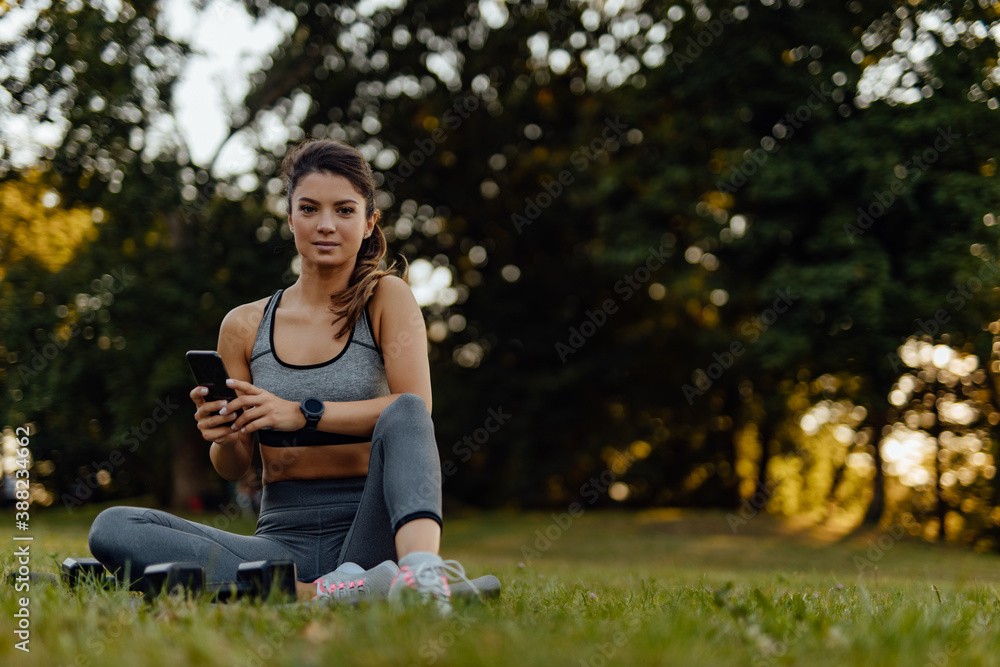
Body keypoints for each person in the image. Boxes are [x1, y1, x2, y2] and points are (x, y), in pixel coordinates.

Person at [88, 138, 475, 614]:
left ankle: (417, 575)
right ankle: (328, 593)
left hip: (367, 535)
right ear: (290, 217)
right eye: (309, 208)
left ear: (369, 221)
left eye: (345, 210)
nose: (326, 224)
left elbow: (414, 411)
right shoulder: (245, 325)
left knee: (408, 408)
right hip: (279, 543)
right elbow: (234, 465)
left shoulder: (386, 298)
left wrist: (301, 413)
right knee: (113, 527)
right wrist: (224, 436)